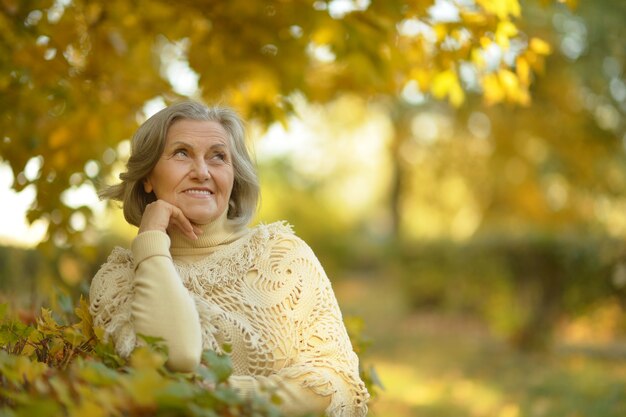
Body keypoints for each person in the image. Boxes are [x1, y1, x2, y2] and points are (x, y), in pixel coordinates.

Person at [89, 101, 369, 417]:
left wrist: (229, 395)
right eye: (181, 153)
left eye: (218, 156)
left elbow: (338, 383)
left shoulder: (282, 257)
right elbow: (177, 355)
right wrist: (151, 240)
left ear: (234, 175)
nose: (202, 172)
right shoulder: (118, 280)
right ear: (147, 178)